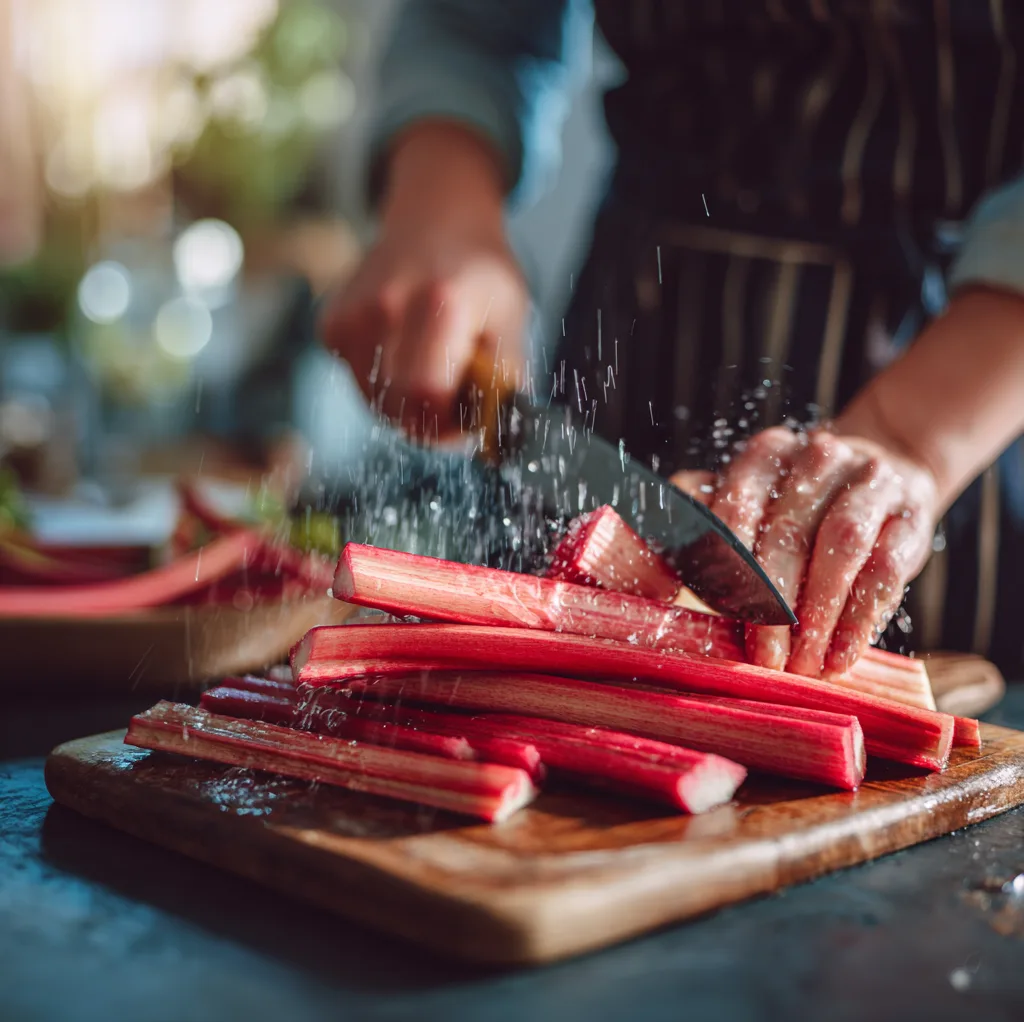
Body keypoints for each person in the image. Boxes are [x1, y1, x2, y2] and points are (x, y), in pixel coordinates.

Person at [320, 0, 1024, 679]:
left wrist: (912, 440)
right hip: (638, 326)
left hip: (972, 380)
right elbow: (470, 25)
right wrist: (442, 201)